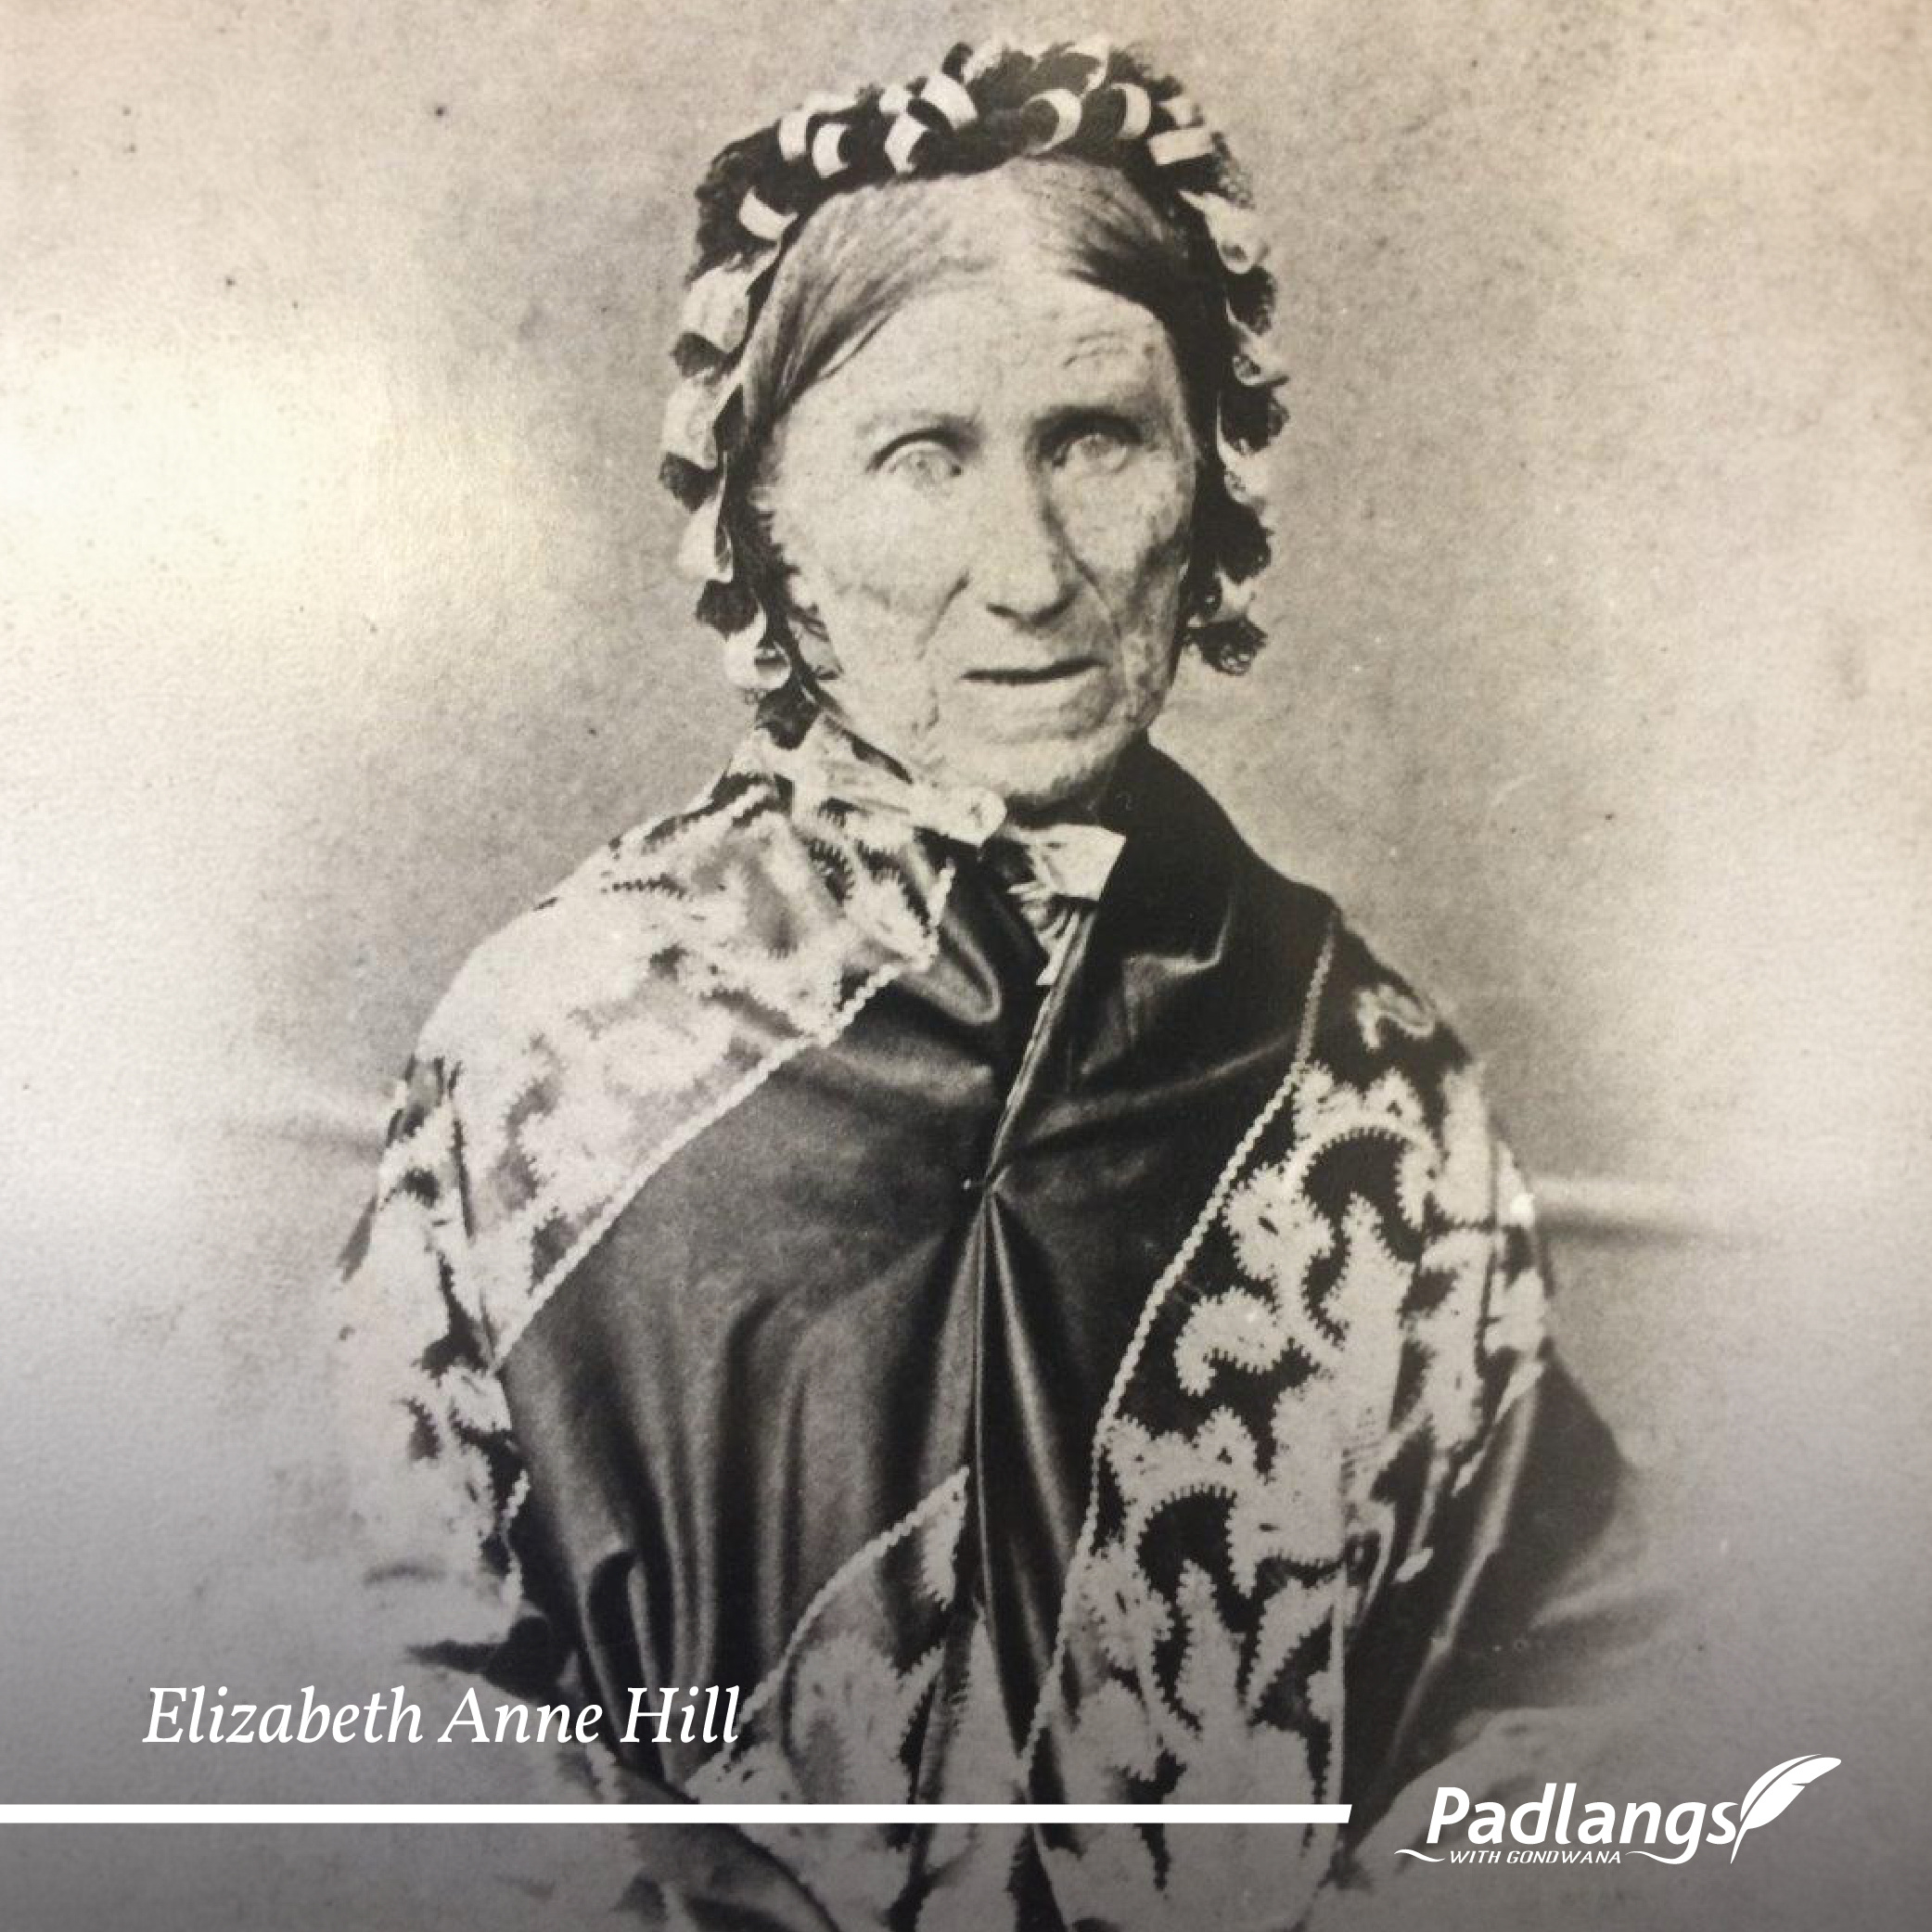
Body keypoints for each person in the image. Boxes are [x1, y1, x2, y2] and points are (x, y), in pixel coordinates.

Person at [336, 39, 1651, 1931]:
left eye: (1096, 440)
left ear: (1211, 477)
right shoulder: (556, 1057)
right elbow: (377, 1670)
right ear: (769, 521)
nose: (1027, 572)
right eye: (922, 456)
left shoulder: (1366, 1093)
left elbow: (1575, 1674)